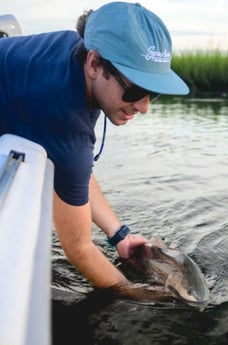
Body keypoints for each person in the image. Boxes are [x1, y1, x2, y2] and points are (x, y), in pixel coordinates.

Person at [0, 2, 189, 296]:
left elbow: (77, 170)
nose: (144, 106)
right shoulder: (64, 118)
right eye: (136, 90)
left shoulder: (80, 59)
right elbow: (78, 248)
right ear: (94, 63)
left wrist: (119, 236)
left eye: (153, 91)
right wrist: (137, 292)